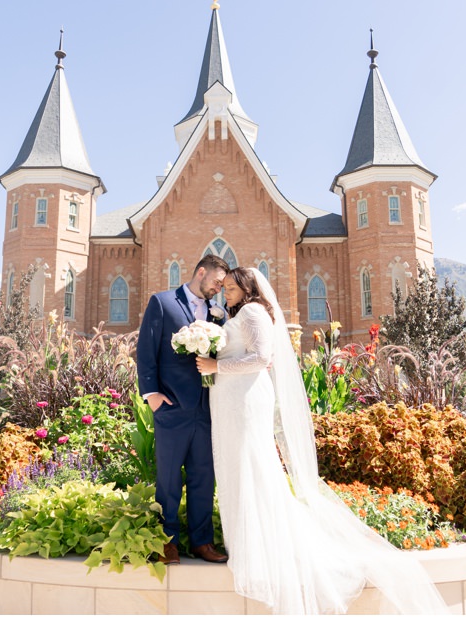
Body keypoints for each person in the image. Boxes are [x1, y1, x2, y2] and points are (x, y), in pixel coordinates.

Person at [193, 267, 443, 615]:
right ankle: (249, 545)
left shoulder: (252, 312)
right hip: (231, 402)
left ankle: (261, 549)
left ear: (248, 290)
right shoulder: (237, 315)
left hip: (246, 402)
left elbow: (262, 358)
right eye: (226, 289)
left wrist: (216, 367)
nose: (226, 293)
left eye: (232, 288)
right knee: (238, 469)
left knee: (252, 468)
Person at [134, 253, 231, 565]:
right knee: (169, 479)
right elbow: (146, 350)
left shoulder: (218, 313)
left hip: (206, 408)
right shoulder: (162, 303)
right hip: (172, 406)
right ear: (200, 272)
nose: (218, 288)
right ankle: (166, 542)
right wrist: (152, 396)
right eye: (216, 282)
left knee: (204, 476)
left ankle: (202, 542)